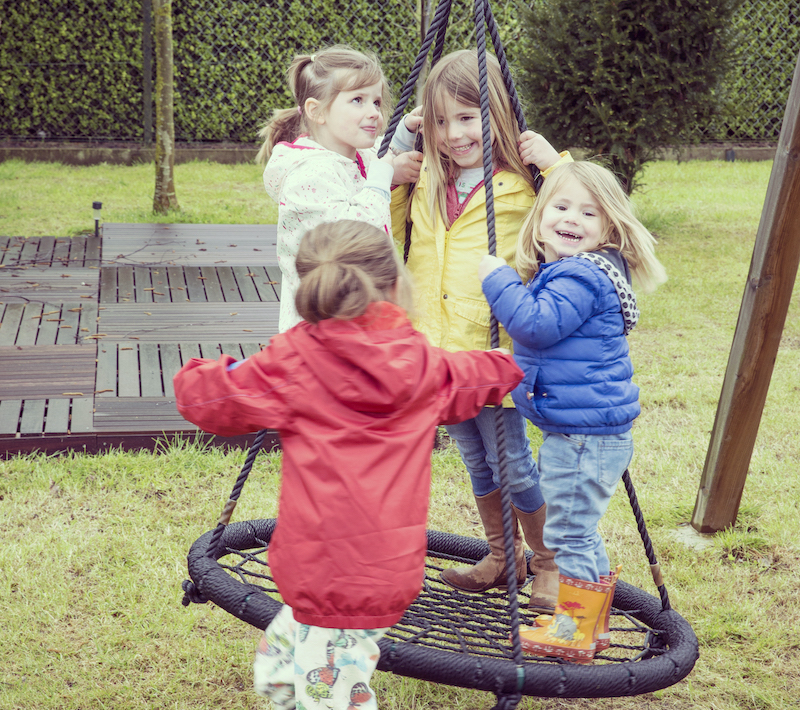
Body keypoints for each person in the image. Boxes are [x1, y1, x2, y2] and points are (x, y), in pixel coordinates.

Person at [173, 220, 527, 709]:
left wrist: (203, 375)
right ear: (395, 284)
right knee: (281, 669)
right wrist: (509, 364)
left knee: (330, 689)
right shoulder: (422, 364)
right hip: (382, 570)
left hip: (319, 569)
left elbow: (210, 402)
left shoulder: (293, 362)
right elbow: (476, 376)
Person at [388, 48, 572, 611]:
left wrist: (557, 166)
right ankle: (502, 555)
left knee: (512, 459)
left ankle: (547, 562)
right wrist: (397, 157)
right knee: (473, 455)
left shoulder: (522, 183)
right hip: (437, 347)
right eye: (440, 121)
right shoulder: (425, 179)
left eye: (467, 117)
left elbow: (583, 214)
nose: (453, 133)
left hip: (493, 348)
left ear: (494, 112)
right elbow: (391, 234)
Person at [478, 160, 668, 661]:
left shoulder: (580, 276)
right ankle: (589, 625)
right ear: (541, 216)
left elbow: (536, 326)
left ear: (609, 227)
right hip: (583, 432)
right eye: (561, 207)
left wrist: (498, 280)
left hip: (585, 436)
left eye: (589, 212)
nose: (572, 219)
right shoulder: (579, 270)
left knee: (568, 533)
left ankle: (573, 632)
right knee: (577, 530)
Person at [256, 44, 397, 333]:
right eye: (358, 100)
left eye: (376, 102)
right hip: (319, 332)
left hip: (353, 323)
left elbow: (387, 148)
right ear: (317, 111)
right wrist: (382, 181)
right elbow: (356, 236)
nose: (373, 112)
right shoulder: (310, 175)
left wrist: (406, 130)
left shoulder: (355, 156)